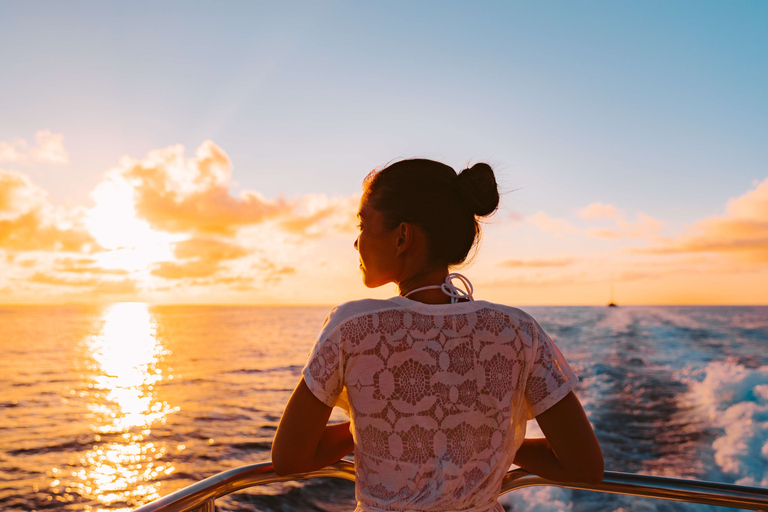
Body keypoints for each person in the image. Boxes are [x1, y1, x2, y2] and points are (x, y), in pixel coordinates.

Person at [272, 159, 603, 512]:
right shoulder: (518, 331)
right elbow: (583, 465)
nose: (356, 242)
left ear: (402, 237)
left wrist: (373, 430)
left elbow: (290, 458)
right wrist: (491, 439)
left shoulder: (351, 326)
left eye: (363, 224)